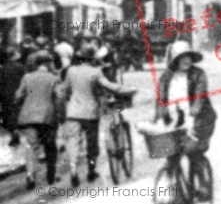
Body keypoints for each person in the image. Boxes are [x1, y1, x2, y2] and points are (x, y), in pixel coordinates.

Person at [64, 42, 135, 186]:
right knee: (92, 144)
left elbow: (65, 89)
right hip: (90, 113)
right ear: (92, 59)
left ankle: (73, 171)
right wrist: (125, 89)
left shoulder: (71, 71)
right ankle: (91, 170)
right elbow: (108, 86)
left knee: (73, 142)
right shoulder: (96, 72)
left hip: (73, 112)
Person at [156, 40, 217, 153]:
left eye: (188, 56)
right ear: (175, 59)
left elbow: (200, 97)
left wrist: (192, 117)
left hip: (199, 120)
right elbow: (161, 99)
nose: (186, 60)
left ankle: (198, 169)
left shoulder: (198, 74)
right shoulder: (166, 76)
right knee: (171, 155)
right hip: (175, 121)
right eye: (182, 57)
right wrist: (160, 118)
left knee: (193, 153)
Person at [15, 51, 62, 189]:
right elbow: (59, 97)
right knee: (50, 146)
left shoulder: (27, 77)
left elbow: (18, 95)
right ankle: (51, 175)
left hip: (28, 116)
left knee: (31, 146)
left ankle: (30, 174)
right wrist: (60, 114)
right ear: (48, 63)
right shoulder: (54, 78)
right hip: (47, 116)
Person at [0, 46, 25, 146]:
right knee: (17, 113)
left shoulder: (4, 68)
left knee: (8, 115)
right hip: (18, 93)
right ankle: (16, 132)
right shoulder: (20, 67)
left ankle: (13, 132)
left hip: (6, 94)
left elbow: (1, 82)